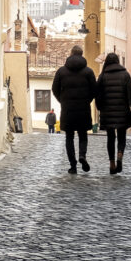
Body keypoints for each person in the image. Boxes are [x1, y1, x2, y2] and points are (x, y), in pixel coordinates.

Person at [51, 45, 96, 174]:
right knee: (83, 135)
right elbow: (94, 90)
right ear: (82, 55)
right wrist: (87, 100)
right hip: (83, 109)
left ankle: (73, 165)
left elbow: (54, 89)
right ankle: (82, 155)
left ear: (70, 54)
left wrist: (63, 100)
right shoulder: (88, 72)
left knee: (69, 137)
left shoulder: (61, 71)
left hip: (68, 109)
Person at [95, 52, 131, 174]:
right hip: (122, 111)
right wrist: (130, 106)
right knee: (122, 136)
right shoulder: (125, 74)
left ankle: (112, 163)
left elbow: (98, 95)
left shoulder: (102, 76)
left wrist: (100, 107)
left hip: (107, 113)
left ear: (107, 62)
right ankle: (120, 155)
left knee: (110, 138)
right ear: (118, 61)